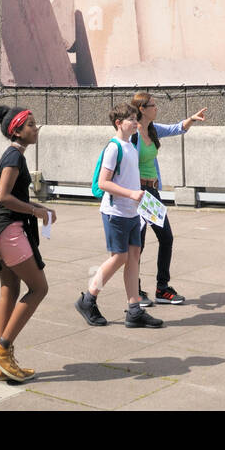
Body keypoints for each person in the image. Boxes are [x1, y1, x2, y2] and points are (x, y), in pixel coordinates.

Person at [75, 103, 164, 329]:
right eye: (131, 119)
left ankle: (134, 310)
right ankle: (88, 299)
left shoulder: (131, 147)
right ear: (118, 123)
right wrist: (132, 193)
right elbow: (104, 183)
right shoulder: (114, 148)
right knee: (119, 257)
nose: (136, 122)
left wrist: (141, 202)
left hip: (132, 213)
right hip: (115, 213)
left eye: (136, 118)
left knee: (134, 256)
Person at [0, 105, 54, 383]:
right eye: (31, 125)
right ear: (17, 130)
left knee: (9, 290)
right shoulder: (14, 155)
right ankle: (1, 350)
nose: (35, 128)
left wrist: (38, 207)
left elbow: (13, 196)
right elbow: (2, 196)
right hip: (9, 232)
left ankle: (0, 365)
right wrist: (36, 211)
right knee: (39, 288)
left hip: (0, 230)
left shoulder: (14, 154)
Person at [131, 90, 206, 306]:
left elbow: (177, 128)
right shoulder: (132, 134)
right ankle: (134, 291)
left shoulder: (152, 130)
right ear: (142, 109)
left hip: (152, 194)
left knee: (166, 238)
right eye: (153, 105)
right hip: (138, 194)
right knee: (139, 244)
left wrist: (191, 119)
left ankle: (162, 288)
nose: (156, 108)